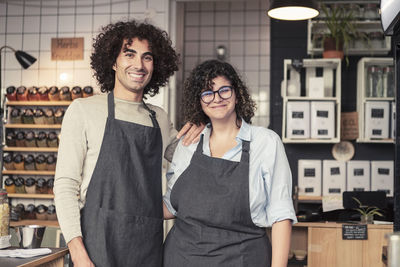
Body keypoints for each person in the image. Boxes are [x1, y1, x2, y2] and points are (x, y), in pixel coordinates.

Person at [54, 20, 202, 267]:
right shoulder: (83, 110)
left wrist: (207, 130)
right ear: (113, 61)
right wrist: (77, 252)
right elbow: (65, 186)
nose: (139, 65)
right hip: (96, 247)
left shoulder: (160, 117)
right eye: (129, 54)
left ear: (156, 65)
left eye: (147, 57)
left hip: (147, 248)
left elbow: (192, 162)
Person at [163, 60, 297, 267]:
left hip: (243, 258)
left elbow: (281, 215)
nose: (217, 99)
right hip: (182, 258)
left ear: (236, 93)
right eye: (207, 93)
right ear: (199, 101)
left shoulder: (265, 142)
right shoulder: (188, 144)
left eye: (224, 90)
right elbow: (171, 207)